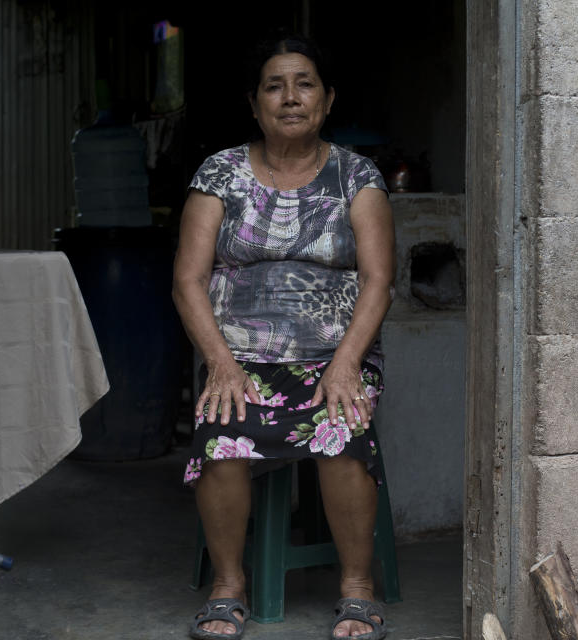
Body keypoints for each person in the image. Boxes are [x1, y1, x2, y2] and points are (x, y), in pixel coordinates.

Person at [172, 33, 395, 640]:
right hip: (237, 358)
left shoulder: (357, 176)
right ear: (254, 102)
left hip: (334, 357)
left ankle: (356, 588)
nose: (290, 97)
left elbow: (378, 281)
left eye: (304, 84)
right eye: (274, 85)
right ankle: (228, 585)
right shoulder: (220, 173)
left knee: (340, 424)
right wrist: (219, 363)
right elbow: (188, 281)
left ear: (326, 100)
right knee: (222, 427)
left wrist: (347, 363)